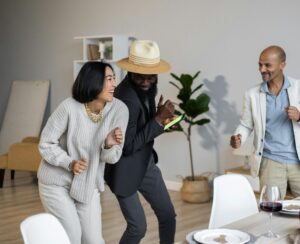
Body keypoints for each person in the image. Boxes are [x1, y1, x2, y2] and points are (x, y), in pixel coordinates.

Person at [37, 62, 129, 244]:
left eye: (114, 79)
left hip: (88, 184)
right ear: (93, 81)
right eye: (108, 79)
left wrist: (109, 145)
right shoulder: (69, 107)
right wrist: (69, 163)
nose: (114, 85)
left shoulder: (120, 110)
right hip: (56, 182)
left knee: (93, 240)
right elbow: (46, 143)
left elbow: (112, 158)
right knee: (71, 236)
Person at [104, 40, 176, 244]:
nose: (146, 82)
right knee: (138, 228)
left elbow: (140, 128)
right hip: (124, 169)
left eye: (150, 77)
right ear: (131, 72)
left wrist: (161, 122)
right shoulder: (126, 99)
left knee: (168, 216)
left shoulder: (144, 88)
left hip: (145, 163)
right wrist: (157, 121)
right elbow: (126, 146)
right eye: (141, 77)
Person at [230, 45, 300, 199]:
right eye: (260, 64)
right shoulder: (252, 94)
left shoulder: (298, 88)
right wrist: (239, 138)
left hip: (298, 161)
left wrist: (299, 116)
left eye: (267, 65)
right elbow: (246, 124)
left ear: (282, 65)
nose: (262, 69)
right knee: (271, 211)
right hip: (270, 162)